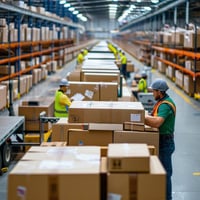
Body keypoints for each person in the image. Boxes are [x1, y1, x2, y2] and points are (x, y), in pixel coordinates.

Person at [144, 78, 176, 200]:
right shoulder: (161, 102)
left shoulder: (166, 105)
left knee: (165, 174)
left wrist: (141, 117)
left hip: (165, 143)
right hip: (161, 141)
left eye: (154, 91)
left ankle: (167, 198)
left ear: (160, 92)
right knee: (161, 172)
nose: (152, 93)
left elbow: (157, 122)